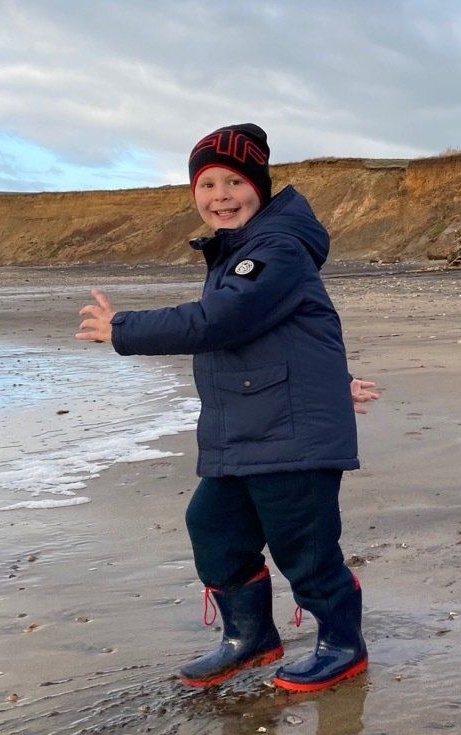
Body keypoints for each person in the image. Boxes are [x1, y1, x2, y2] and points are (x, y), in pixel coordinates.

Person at [76, 123, 380, 689]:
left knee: (305, 550)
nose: (220, 195)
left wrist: (122, 328)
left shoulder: (278, 248)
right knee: (212, 526)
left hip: (292, 438)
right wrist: (334, 380)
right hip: (245, 429)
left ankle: (342, 643)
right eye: (207, 183)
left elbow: (225, 321)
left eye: (234, 182)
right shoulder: (238, 252)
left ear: (260, 187)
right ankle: (250, 637)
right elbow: (293, 335)